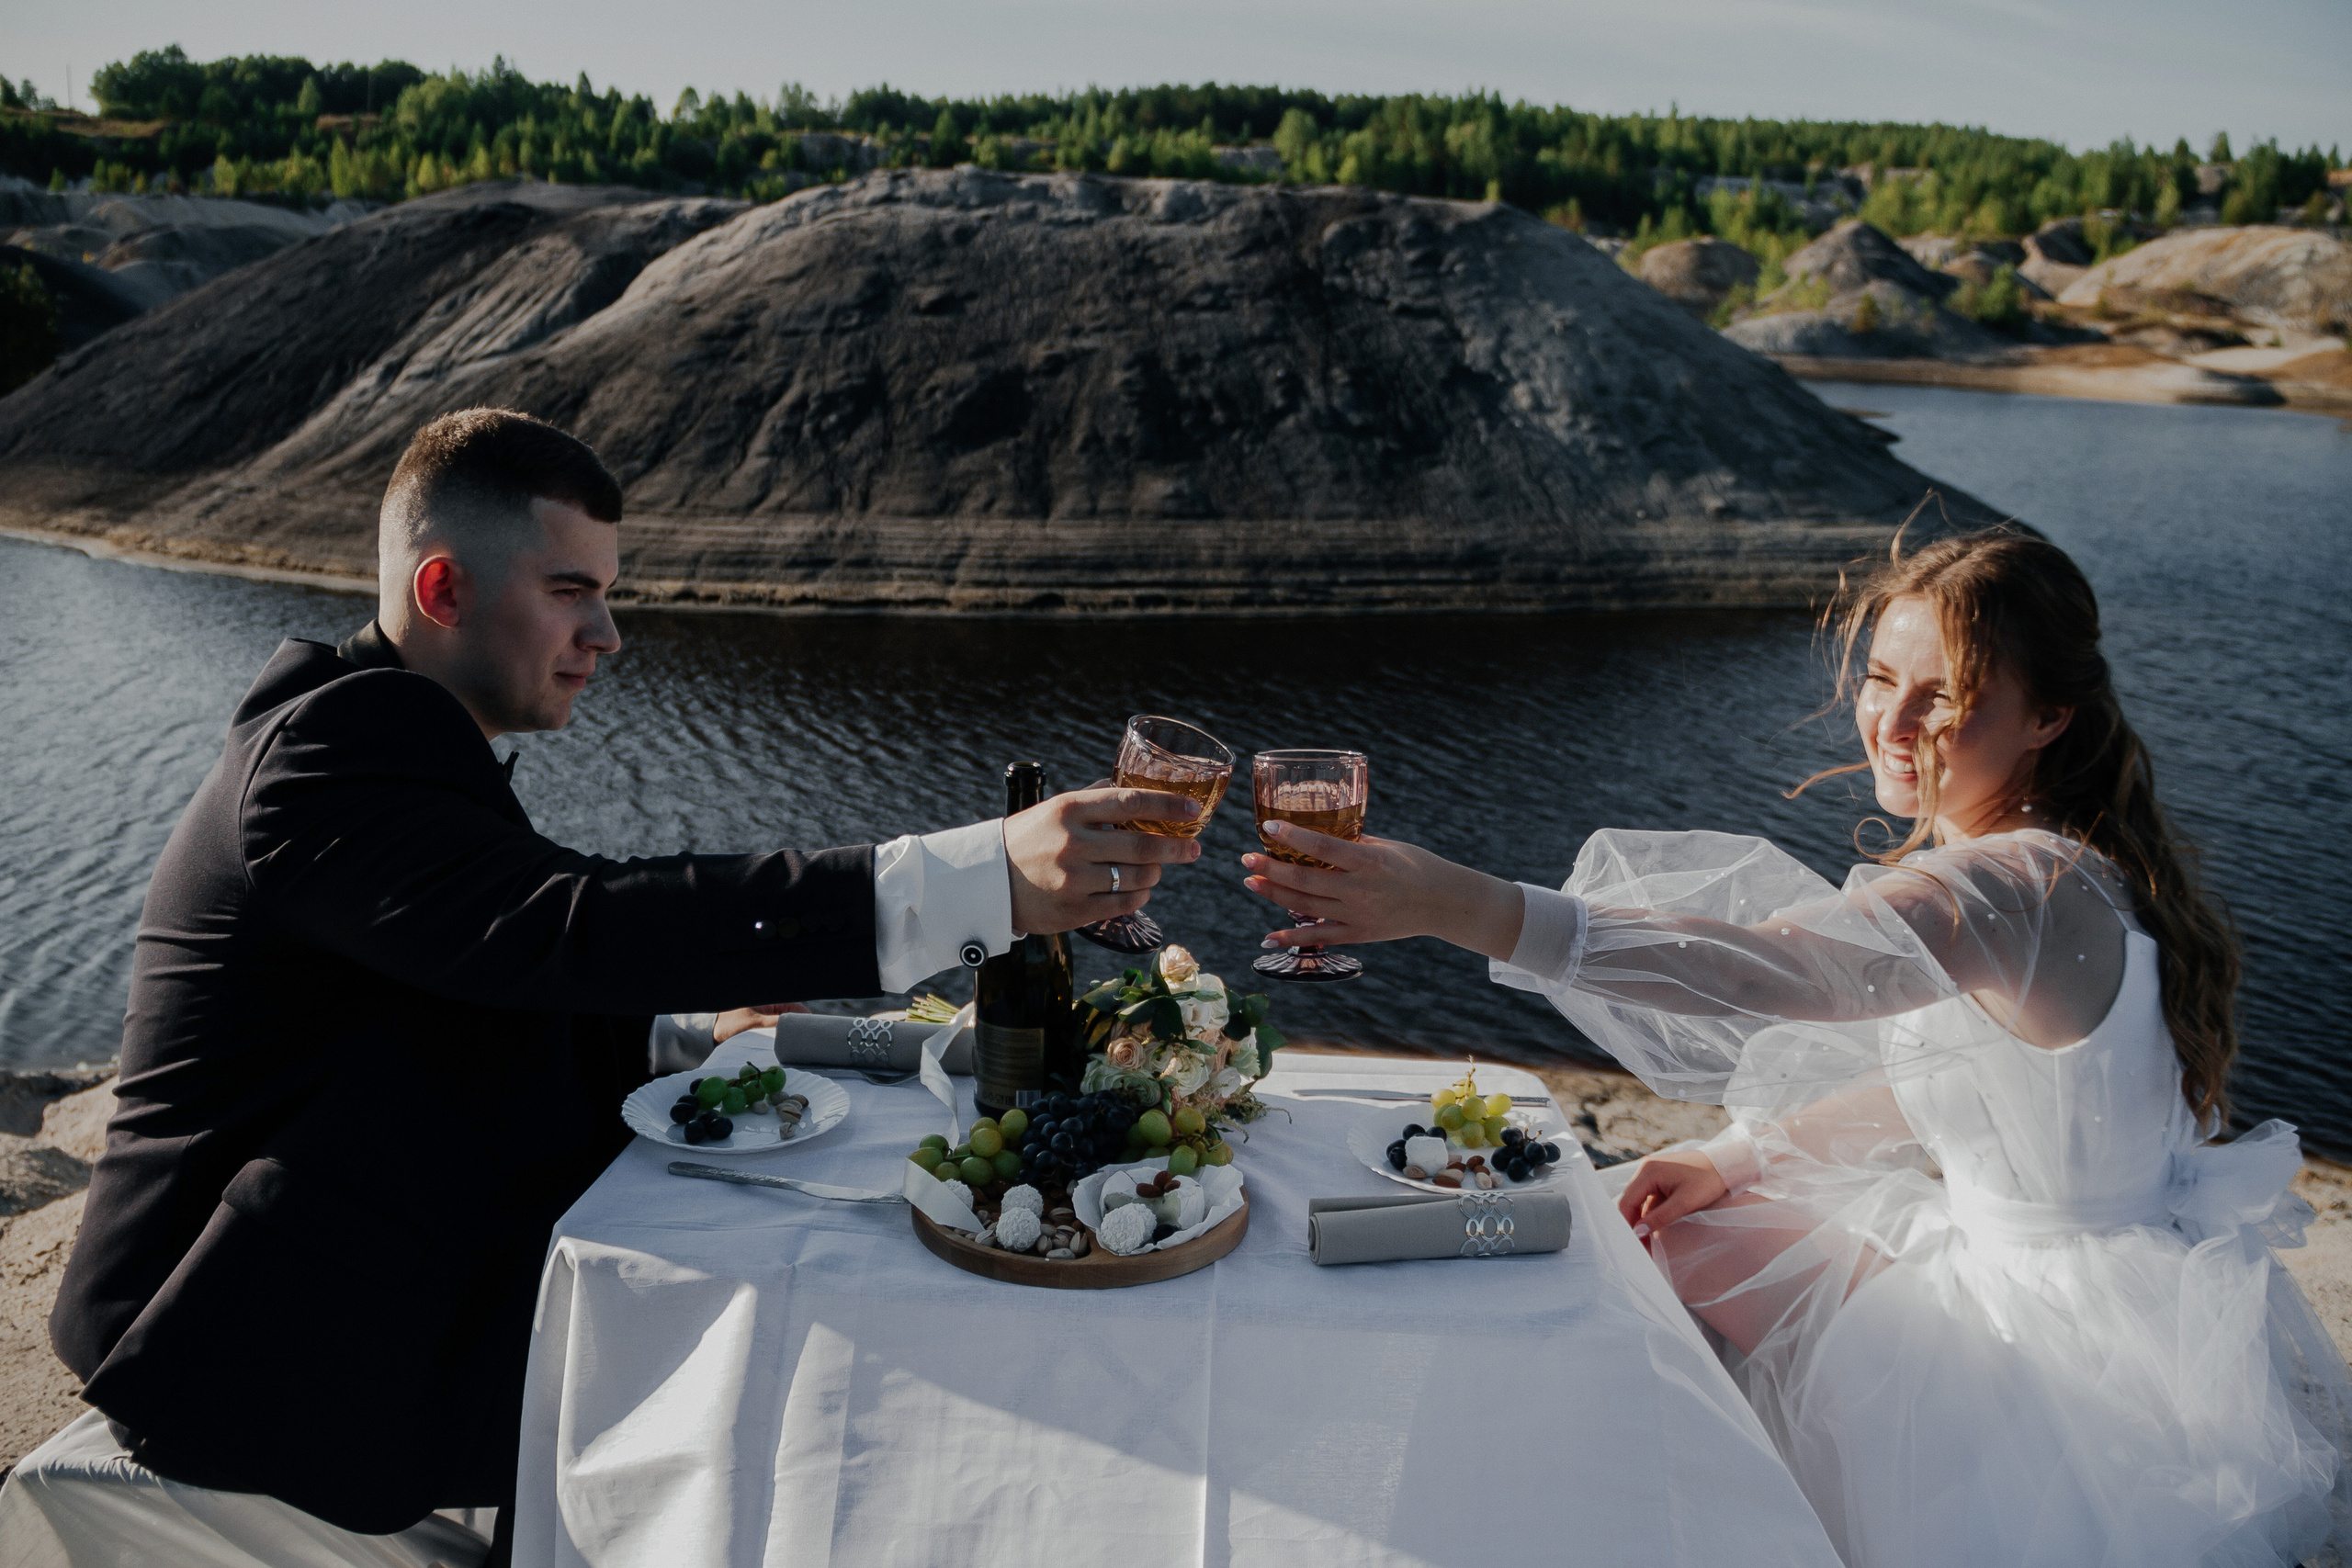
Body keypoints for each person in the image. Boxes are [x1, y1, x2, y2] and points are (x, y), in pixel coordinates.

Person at [45, 408, 1202, 1555]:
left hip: (339, 1276)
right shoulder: (330, 752)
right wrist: (976, 879)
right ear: (443, 592)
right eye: (569, 592)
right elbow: (568, 925)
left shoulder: (397, 735)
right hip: (233, 1341)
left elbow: (463, 976)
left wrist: (681, 1033)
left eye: (607, 592)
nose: (607, 634)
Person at [1238, 529, 2352, 1566]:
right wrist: (1734, 1158)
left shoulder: (2013, 883)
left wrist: (1464, 904)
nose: (1893, 723)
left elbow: (1757, 970)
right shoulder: (2079, 862)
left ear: (2047, 717)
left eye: (1945, 697)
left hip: (2039, 1346)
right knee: (1661, 1214)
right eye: (1880, 681)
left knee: (1617, 1252)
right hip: (2098, 1285)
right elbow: (1949, 1089)